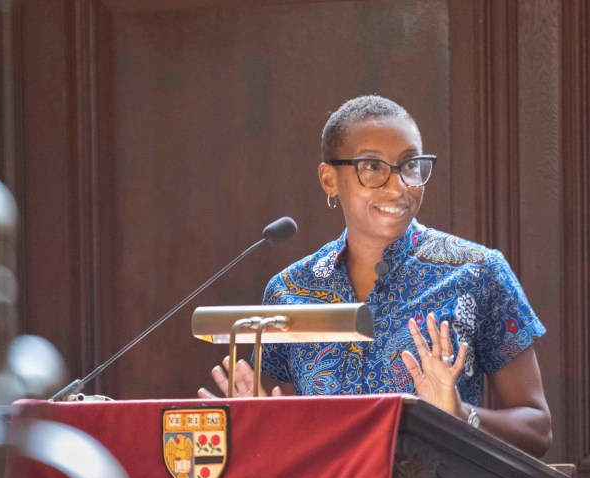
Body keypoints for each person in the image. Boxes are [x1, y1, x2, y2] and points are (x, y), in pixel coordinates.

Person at [199, 95, 551, 457]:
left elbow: (538, 429)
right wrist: (261, 423)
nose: (399, 186)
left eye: (410, 165)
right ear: (329, 179)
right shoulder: (290, 291)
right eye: (372, 167)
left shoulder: (477, 273)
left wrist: (461, 415)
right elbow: (293, 437)